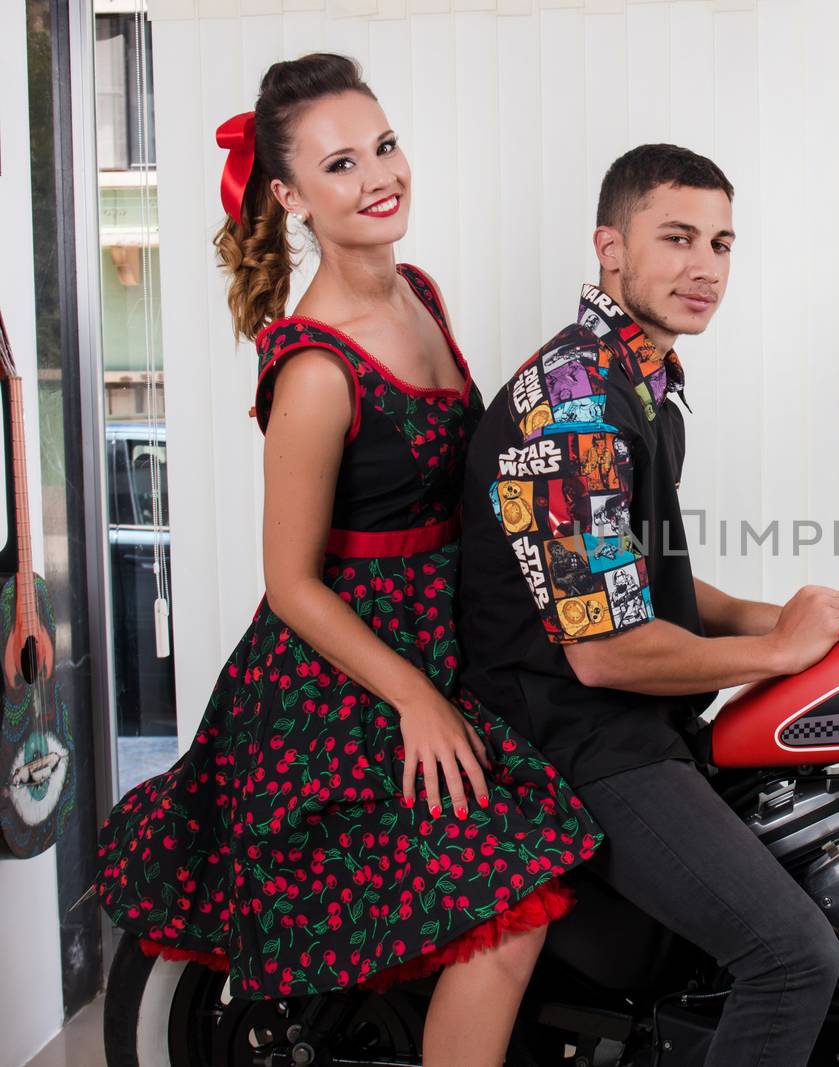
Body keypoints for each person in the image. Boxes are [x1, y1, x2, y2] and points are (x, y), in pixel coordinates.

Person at [94, 53, 599, 1067]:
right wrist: (413, 696)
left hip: (448, 623)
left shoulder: (420, 291)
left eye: (384, 144)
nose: (379, 175)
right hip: (346, 673)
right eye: (340, 164)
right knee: (511, 904)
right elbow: (290, 581)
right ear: (288, 195)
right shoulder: (317, 365)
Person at [457, 142, 839, 1066]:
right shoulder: (577, 406)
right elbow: (604, 649)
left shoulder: (642, 380)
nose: (705, 266)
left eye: (721, 242)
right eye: (676, 238)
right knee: (792, 955)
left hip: (622, 715)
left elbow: (636, 578)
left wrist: (802, 611)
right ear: (610, 247)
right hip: (572, 734)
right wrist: (777, 654)